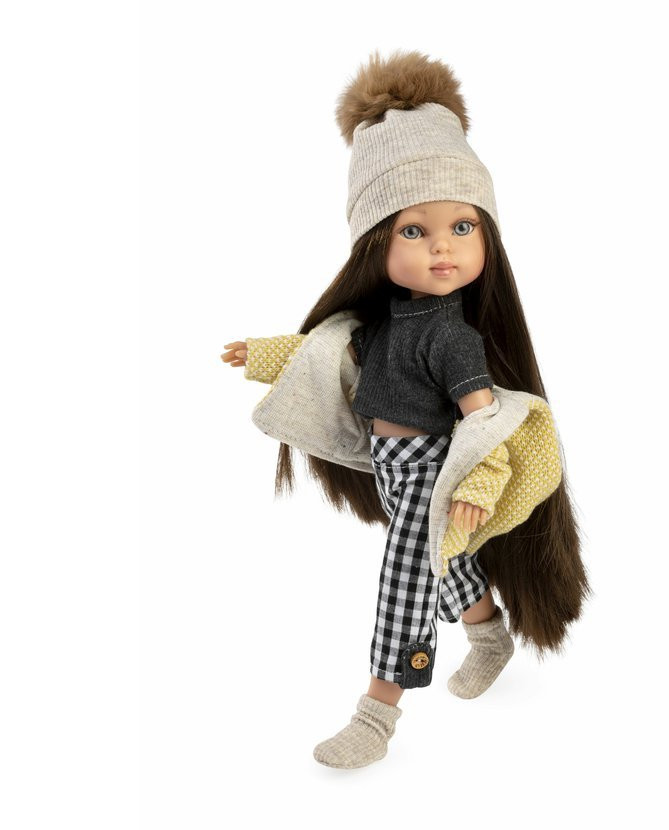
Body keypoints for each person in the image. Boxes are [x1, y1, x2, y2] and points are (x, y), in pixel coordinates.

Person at [220, 49, 589, 770]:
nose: (443, 247)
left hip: (430, 471)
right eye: (414, 230)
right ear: (375, 243)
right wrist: (262, 355)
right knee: (445, 565)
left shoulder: (454, 340)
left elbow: (485, 420)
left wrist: (480, 482)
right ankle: (489, 636)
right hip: (388, 466)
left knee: (404, 582)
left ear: (487, 236)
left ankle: (376, 715)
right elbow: (328, 355)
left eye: (463, 227)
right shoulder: (382, 326)